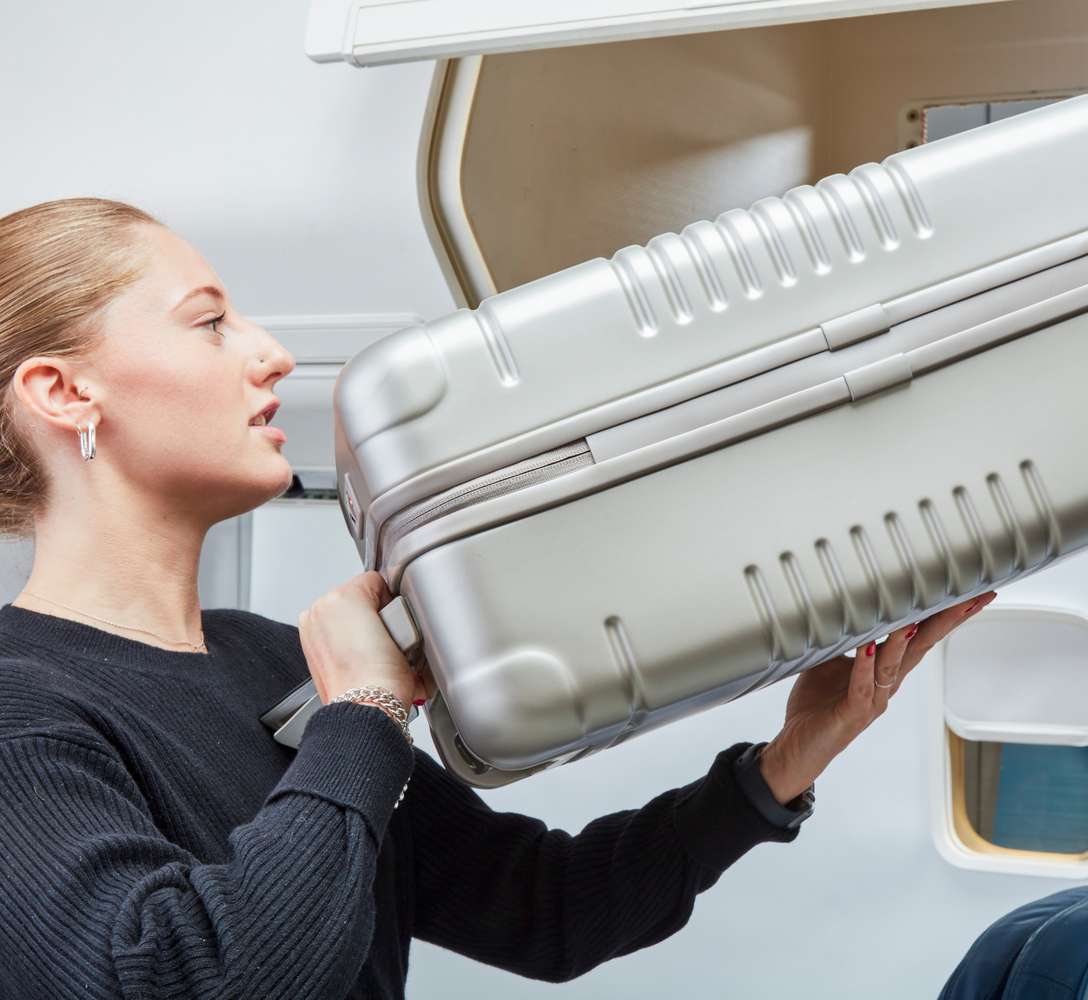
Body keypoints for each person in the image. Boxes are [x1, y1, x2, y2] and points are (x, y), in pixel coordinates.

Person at [0, 197, 999, 999]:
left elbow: (549, 909)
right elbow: (186, 974)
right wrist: (363, 714)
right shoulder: (25, 711)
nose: (270, 352)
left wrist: (787, 761)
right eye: (210, 323)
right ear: (65, 393)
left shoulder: (266, 661)